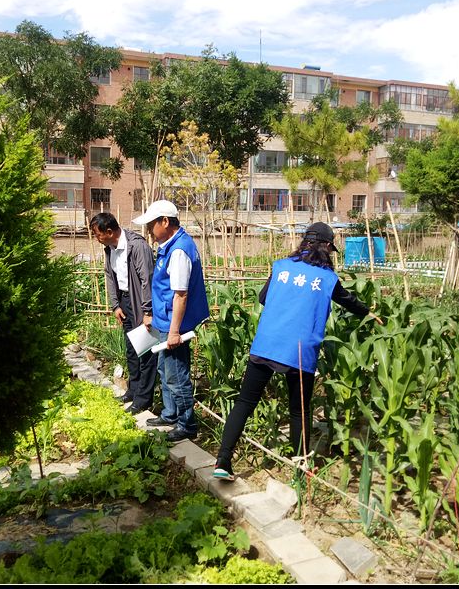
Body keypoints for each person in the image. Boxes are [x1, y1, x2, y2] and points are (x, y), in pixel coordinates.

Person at [212, 222, 383, 481]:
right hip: (299, 350)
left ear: (304, 242)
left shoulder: (281, 267)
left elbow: (262, 298)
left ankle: (223, 461)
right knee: (299, 411)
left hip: (267, 343)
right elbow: (347, 300)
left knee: (245, 403)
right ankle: (300, 471)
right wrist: (368, 313)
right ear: (326, 247)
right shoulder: (327, 278)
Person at [131, 200, 210, 443]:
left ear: (165, 222)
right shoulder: (169, 246)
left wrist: (175, 331)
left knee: (176, 375)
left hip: (175, 325)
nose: (148, 231)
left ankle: (187, 424)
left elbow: (180, 295)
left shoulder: (179, 251)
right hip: (165, 321)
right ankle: (170, 413)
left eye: (151, 225)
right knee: (165, 371)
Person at [90, 212, 157, 414]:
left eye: (97, 234)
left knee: (145, 351)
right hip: (125, 303)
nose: (96, 238)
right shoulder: (109, 249)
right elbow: (110, 277)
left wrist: (148, 310)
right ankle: (133, 391)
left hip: (140, 303)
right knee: (131, 350)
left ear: (109, 231)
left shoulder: (137, 246)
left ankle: (143, 399)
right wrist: (115, 305)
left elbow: (147, 279)